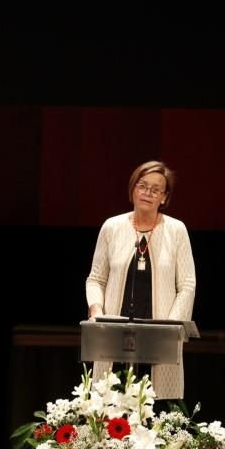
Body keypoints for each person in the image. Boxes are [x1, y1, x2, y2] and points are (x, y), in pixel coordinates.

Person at [86, 160, 196, 399]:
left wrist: (171, 328)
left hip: (158, 339)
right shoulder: (112, 227)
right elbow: (96, 278)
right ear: (133, 189)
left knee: (157, 410)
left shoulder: (177, 231)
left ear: (164, 198)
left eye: (156, 189)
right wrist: (96, 309)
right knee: (110, 407)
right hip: (114, 335)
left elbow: (187, 285)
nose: (148, 193)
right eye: (142, 185)